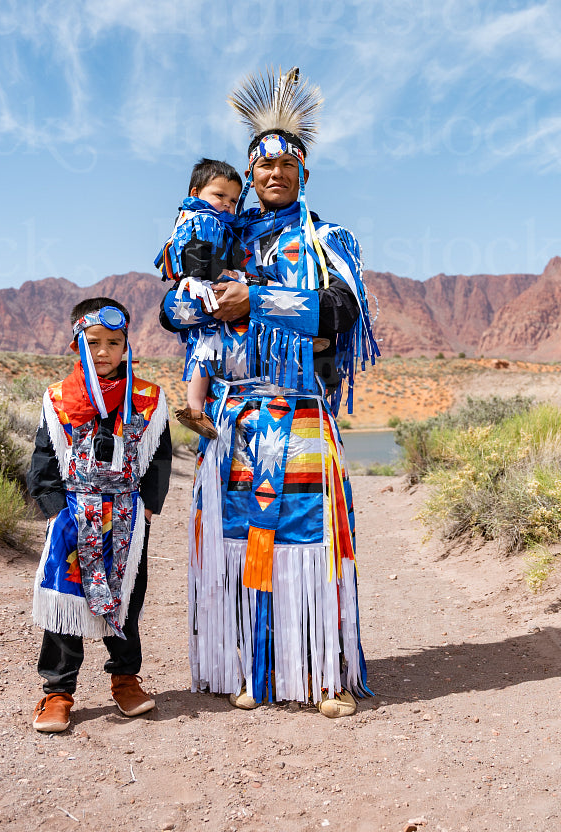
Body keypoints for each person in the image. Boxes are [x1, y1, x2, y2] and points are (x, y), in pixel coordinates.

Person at [159, 66, 380, 718]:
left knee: (307, 544)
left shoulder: (326, 238)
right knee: (241, 548)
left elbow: (343, 309)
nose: (274, 174)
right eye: (263, 166)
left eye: (287, 163)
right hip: (234, 421)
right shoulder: (224, 233)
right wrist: (194, 301)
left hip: (303, 413)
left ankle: (321, 674)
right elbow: (173, 310)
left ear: (304, 172)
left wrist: (258, 300)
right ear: (249, 175)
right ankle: (249, 668)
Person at [27, 297, 171, 733]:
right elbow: (43, 459)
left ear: (127, 345)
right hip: (73, 515)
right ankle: (57, 692)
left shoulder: (148, 399)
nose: (104, 351)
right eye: (94, 343)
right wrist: (55, 513)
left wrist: (147, 507)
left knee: (125, 603)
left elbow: (159, 457)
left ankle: (125, 680)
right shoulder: (58, 399)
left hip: (127, 518)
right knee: (65, 605)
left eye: (114, 342)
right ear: (78, 345)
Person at [154, 158, 244, 441]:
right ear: (196, 193)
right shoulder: (202, 220)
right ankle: (194, 411)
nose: (227, 204)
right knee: (255, 296)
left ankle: (195, 410)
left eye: (233, 199)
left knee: (203, 352)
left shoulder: (211, 221)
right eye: (219, 195)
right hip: (200, 287)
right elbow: (198, 260)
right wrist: (230, 275)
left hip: (201, 287)